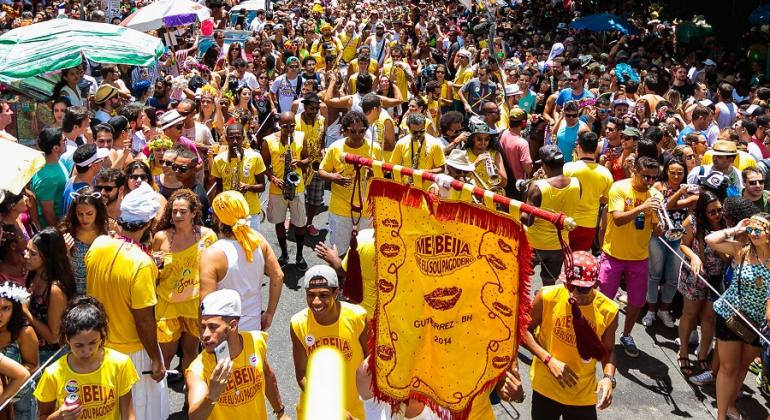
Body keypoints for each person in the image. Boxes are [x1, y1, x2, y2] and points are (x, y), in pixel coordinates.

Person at [85, 182, 169, 419]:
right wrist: (155, 359)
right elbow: (144, 320)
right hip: (134, 354)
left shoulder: (99, 243)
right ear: (149, 223)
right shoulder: (142, 263)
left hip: (101, 347)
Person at [524, 251, 618, 420]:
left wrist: (608, 378)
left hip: (582, 395)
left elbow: (609, 350)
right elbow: (523, 331)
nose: (575, 293)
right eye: (570, 286)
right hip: (546, 388)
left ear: (596, 284)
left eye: (583, 289)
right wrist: (548, 360)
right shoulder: (546, 296)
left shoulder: (608, 310)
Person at [186, 289, 289, 420]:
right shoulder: (197, 369)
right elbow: (194, 417)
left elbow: (268, 376)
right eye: (203, 327)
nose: (205, 334)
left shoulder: (256, 342)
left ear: (233, 325)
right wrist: (211, 396)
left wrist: (281, 412)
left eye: (212, 327)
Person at [706, 213, 770, 420]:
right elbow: (710, 240)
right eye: (751, 229)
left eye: (758, 230)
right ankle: (721, 415)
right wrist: (736, 230)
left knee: (742, 366)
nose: (753, 233)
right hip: (731, 314)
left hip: (759, 323)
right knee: (728, 366)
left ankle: (731, 402)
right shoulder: (740, 250)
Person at [34, 296, 138, 420]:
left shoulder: (120, 364)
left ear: (102, 335)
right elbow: (42, 416)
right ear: (67, 339)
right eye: (79, 345)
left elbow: (129, 415)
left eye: (93, 343)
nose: (86, 351)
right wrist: (58, 416)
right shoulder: (53, 373)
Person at [599, 156, 663, 358]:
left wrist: (660, 224)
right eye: (645, 176)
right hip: (613, 254)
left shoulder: (656, 195)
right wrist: (642, 208)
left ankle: (626, 334)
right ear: (635, 170)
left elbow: (657, 231)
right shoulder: (619, 188)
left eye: (654, 178)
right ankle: (600, 332)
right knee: (604, 299)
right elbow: (617, 219)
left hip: (639, 257)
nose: (649, 182)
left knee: (637, 301)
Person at [290, 265, 367, 419]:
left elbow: (371, 361)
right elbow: (302, 375)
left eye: (324, 295)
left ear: (336, 293)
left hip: (354, 410)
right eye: (310, 295)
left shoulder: (358, 317)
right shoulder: (298, 323)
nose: (316, 302)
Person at [152, 189, 217, 373]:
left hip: (194, 305)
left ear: (194, 213)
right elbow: (152, 272)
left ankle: (191, 397)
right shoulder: (161, 237)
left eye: (183, 211)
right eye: (174, 211)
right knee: (164, 358)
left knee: (191, 353)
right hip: (167, 305)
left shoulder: (208, 236)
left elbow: (215, 271)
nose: (178, 215)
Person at [199, 191, 284, 332]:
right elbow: (278, 276)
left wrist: (203, 334)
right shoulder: (258, 240)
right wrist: (270, 313)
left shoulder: (212, 254)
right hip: (253, 328)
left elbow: (206, 303)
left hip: (222, 334)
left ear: (218, 219)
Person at [677, 191, 726, 382]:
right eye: (711, 212)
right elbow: (683, 245)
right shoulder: (693, 222)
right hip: (696, 276)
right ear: (702, 213)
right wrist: (694, 256)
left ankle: (703, 354)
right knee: (689, 314)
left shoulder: (726, 224)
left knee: (709, 317)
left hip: (716, 277)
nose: (717, 215)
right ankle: (683, 352)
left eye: (719, 210)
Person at [318, 111, 382, 255]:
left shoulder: (375, 149)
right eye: (352, 131)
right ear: (345, 130)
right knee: (339, 251)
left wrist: (374, 173)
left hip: (366, 210)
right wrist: (333, 177)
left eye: (362, 131)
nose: (358, 135)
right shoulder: (336, 148)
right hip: (340, 209)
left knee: (365, 251)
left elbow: (382, 177)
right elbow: (321, 171)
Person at [643, 158, 696, 328]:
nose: (676, 175)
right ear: (666, 171)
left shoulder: (688, 189)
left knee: (673, 277)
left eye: (680, 172)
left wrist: (685, 228)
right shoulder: (658, 187)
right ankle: (651, 310)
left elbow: (690, 212)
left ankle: (663, 310)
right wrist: (682, 194)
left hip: (678, 237)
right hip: (658, 235)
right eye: (672, 172)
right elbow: (665, 206)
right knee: (654, 275)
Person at [523, 145, 581, 286]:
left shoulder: (537, 187)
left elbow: (527, 220)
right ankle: (545, 305)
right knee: (549, 282)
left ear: (545, 166)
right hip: (559, 244)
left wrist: (527, 193)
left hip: (534, 244)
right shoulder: (577, 183)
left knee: (522, 279)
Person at [261, 112, 309, 270]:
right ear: (278, 125)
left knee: (301, 222)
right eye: (285, 126)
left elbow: (308, 159)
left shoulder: (301, 136)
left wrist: (300, 162)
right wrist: (273, 178)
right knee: (279, 222)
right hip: (277, 188)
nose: (289, 129)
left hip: (297, 187)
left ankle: (300, 254)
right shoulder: (268, 141)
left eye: (292, 126)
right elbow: (264, 166)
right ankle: (284, 253)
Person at [23, 227, 76, 364]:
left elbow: (54, 337)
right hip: (32, 351)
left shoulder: (55, 290)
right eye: (27, 250)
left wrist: (27, 313)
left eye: (32, 253)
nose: (26, 256)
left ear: (47, 257)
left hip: (52, 358)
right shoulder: (33, 275)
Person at [211, 124, 267, 232]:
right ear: (226, 139)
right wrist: (216, 211)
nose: (235, 141)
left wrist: (248, 187)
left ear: (243, 138)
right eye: (231, 138)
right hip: (228, 212)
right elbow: (219, 188)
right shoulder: (218, 160)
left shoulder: (255, 157)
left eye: (238, 138)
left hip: (250, 212)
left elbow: (262, 187)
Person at [563, 132, 613, 252]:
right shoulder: (606, 173)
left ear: (579, 147)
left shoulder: (567, 168)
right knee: (579, 263)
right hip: (589, 224)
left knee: (562, 260)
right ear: (596, 148)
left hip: (567, 222)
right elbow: (606, 199)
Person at [59, 186, 108, 296]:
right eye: (79, 214)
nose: (84, 219)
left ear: (97, 211)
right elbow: (58, 268)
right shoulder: (67, 232)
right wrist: (64, 251)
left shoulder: (107, 231)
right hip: (73, 293)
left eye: (89, 214)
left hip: (100, 292)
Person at [0, 281, 38, 420]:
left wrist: (10, 374)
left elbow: (33, 365)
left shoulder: (24, 332)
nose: (0, 315)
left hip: (21, 399)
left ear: (15, 309)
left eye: (5, 308)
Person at [389, 113, 445, 183]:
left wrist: (423, 173)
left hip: (427, 190)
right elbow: (393, 167)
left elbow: (441, 169)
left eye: (422, 131)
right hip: (407, 186)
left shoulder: (435, 143)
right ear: (409, 129)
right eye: (415, 132)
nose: (418, 135)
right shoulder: (401, 143)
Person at [32, 128, 68, 228]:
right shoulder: (48, 178)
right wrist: (59, 231)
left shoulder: (57, 161)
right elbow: (47, 211)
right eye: (64, 141)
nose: (66, 143)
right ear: (56, 148)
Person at [61, 144, 108, 213]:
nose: (102, 163)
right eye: (101, 160)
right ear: (94, 166)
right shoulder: (86, 194)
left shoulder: (71, 180)